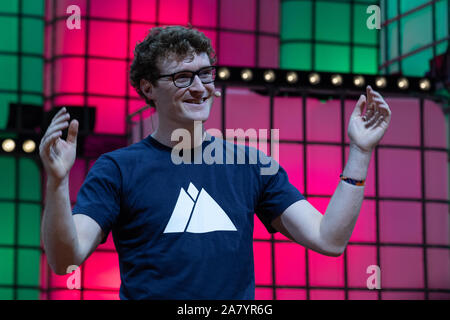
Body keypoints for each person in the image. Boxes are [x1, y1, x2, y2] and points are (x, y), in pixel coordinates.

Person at [39, 26, 391, 299]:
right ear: (148, 88)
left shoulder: (253, 165)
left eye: (206, 74)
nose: (199, 87)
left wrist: (360, 152)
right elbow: (65, 259)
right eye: (182, 77)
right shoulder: (117, 169)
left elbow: (329, 240)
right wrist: (56, 184)